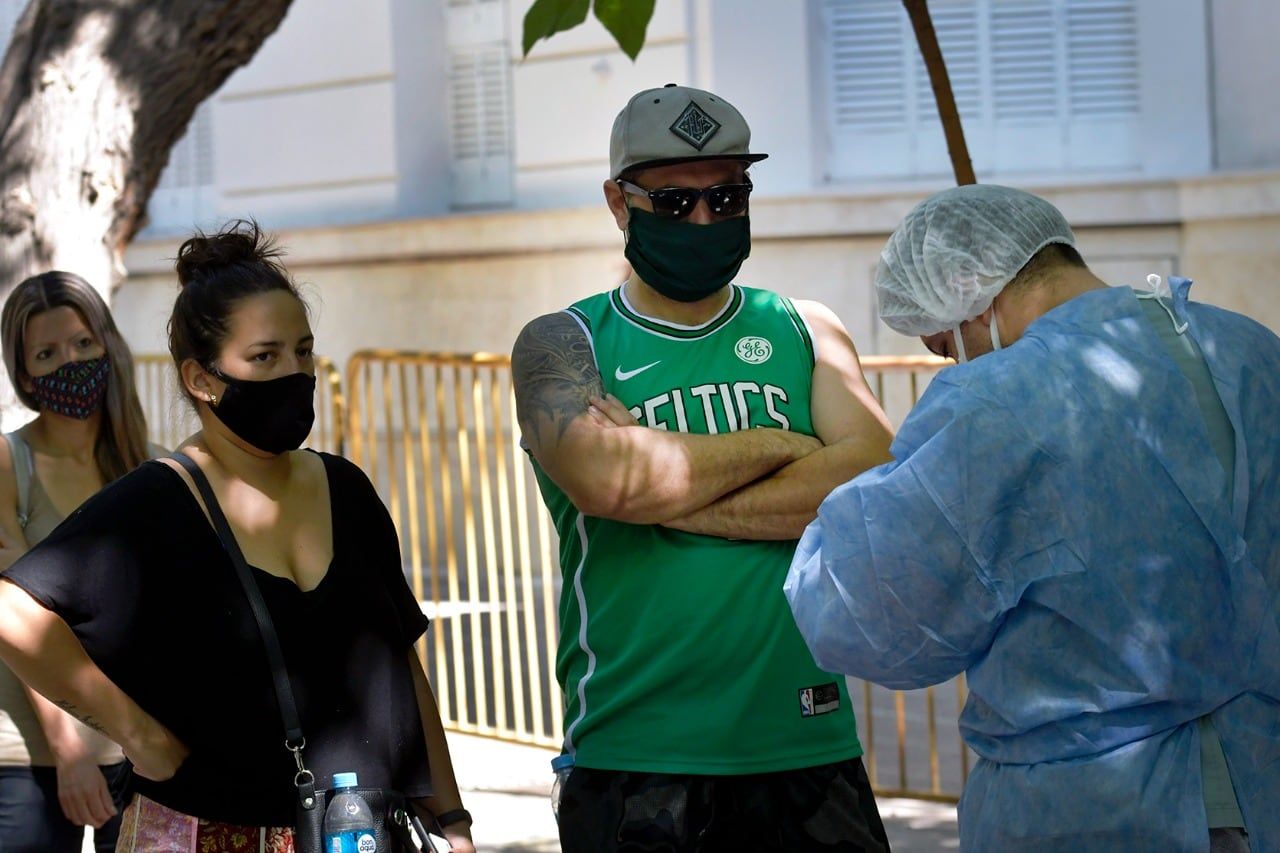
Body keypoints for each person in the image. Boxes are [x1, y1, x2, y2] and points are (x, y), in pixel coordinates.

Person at [785, 184, 1280, 852]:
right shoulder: (1253, 352)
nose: (952, 360)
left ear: (969, 292)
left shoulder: (996, 400)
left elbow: (861, 608)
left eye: (943, 344)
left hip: (1092, 814)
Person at [0, 222, 476, 852]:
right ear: (202, 380)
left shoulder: (346, 489)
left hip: (362, 833)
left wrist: (452, 821)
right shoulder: (158, 501)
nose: (293, 373)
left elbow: (401, 664)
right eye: (264, 357)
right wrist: (138, 736)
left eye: (302, 352)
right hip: (202, 832)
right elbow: (14, 611)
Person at [512, 84, 895, 852]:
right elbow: (609, 482)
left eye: (727, 197)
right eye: (674, 200)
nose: (703, 218)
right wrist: (787, 445)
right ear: (619, 204)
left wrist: (667, 490)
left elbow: (873, 484)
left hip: (807, 744)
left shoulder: (807, 328)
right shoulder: (561, 344)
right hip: (638, 760)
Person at [0, 271, 155, 852]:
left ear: (108, 345)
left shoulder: (152, 469)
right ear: (25, 374)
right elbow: (17, 626)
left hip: (141, 756)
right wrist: (70, 752)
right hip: (29, 757)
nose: (70, 362)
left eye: (83, 344)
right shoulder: (9, 464)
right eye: (47, 353)